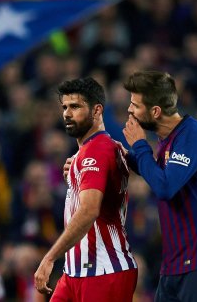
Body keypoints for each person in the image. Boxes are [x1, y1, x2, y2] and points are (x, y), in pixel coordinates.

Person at [121, 70, 197, 302]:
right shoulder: (168, 142)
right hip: (174, 267)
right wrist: (117, 155)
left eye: (135, 105)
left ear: (155, 111)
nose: (129, 110)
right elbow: (155, 173)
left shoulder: (192, 133)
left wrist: (140, 145)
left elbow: (165, 186)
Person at [34, 77, 137, 301]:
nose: (67, 114)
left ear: (97, 110)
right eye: (64, 107)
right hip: (75, 271)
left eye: (75, 106)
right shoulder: (89, 152)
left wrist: (49, 258)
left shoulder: (98, 150)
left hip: (104, 269)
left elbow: (90, 210)